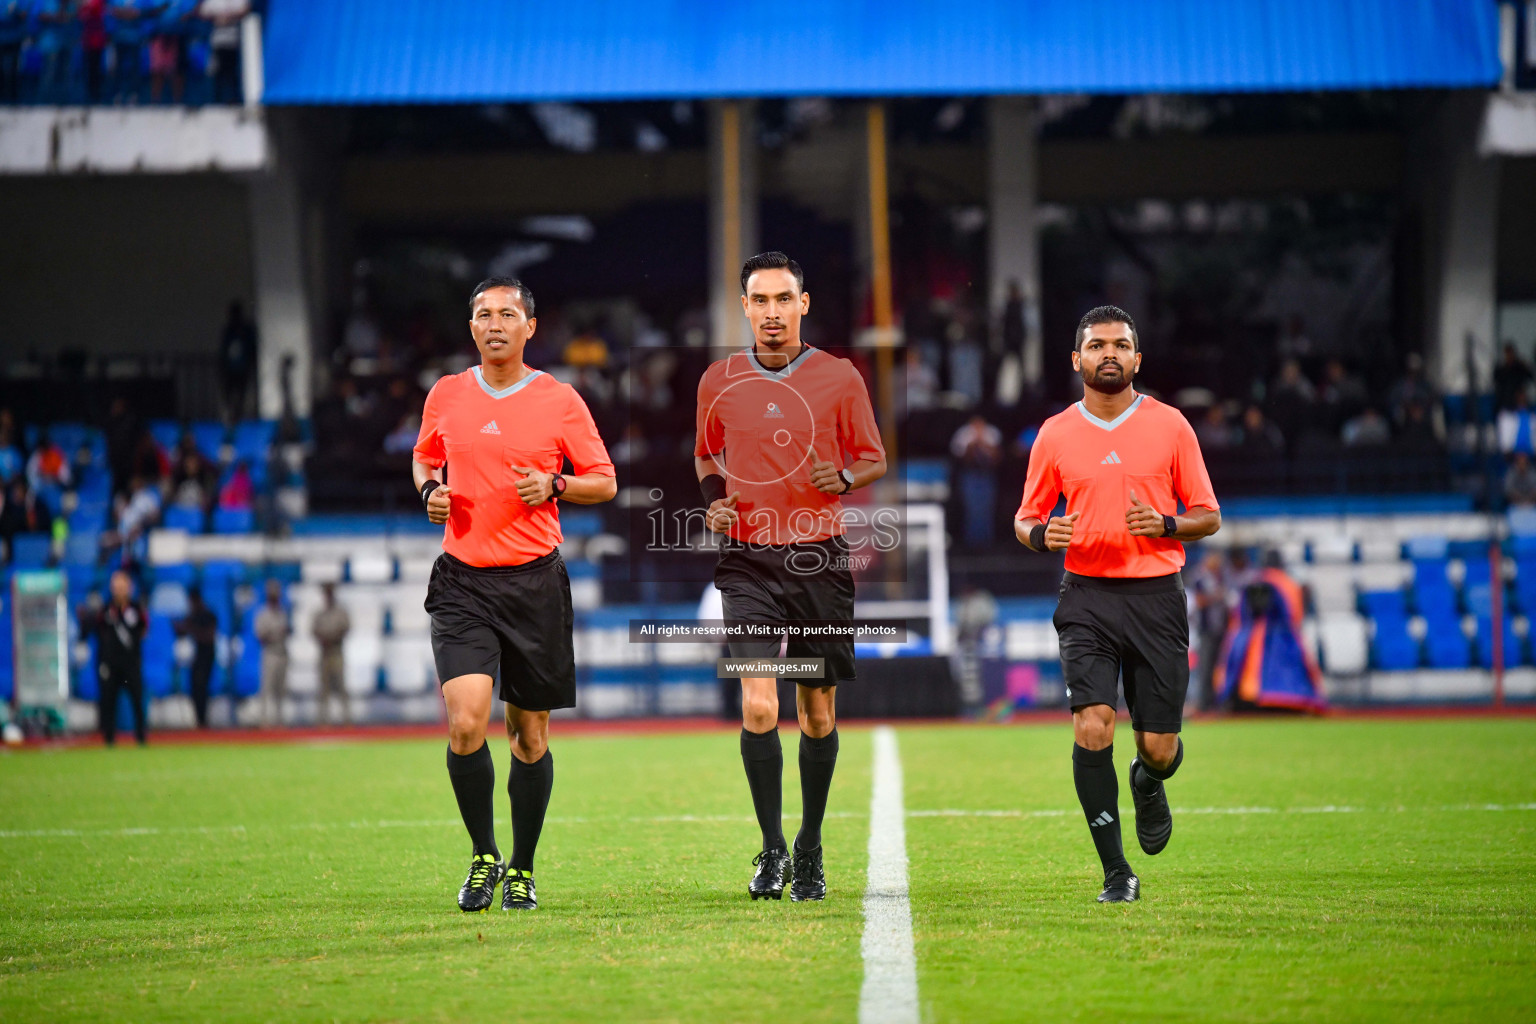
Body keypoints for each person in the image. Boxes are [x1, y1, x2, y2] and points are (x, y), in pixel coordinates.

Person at [412, 276, 616, 913]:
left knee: (529, 737)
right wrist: (429, 492)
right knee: (467, 720)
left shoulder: (559, 400)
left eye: (507, 313)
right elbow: (425, 458)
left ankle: (522, 868)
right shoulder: (446, 394)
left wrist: (555, 485)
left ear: (530, 325)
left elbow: (605, 482)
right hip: (463, 581)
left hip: (534, 583)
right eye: (482, 314)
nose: (494, 323)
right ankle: (482, 856)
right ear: (470, 328)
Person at [696, 252, 887, 902]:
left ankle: (809, 845)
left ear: (803, 304)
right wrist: (713, 499)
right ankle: (773, 850)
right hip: (747, 561)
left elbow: (873, 458)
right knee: (757, 703)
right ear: (744, 307)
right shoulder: (717, 379)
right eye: (760, 300)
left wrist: (845, 479)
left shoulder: (840, 376)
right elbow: (704, 452)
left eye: (784, 299)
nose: (772, 312)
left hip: (817, 562)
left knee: (814, 712)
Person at [1014, 305, 1221, 904]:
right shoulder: (1054, 433)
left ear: (1136, 358)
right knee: (1093, 726)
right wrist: (1040, 535)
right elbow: (1026, 519)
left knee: (1158, 747)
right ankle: (1115, 871)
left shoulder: (1172, 426)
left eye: (1121, 345)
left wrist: (1165, 524)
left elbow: (1208, 515)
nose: (1110, 353)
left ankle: (1149, 782)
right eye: (1097, 345)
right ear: (1076, 360)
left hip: (1158, 599)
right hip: (1086, 597)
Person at [86, 570, 149, 746]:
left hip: (131, 663)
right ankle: (109, 738)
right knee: (108, 701)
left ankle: (141, 736)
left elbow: (144, 630)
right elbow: (96, 631)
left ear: (129, 588)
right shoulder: (105, 610)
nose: (119, 590)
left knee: (137, 700)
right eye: (116, 587)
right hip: (110, 664)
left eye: (123, 587)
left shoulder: (136, 610)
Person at [175, 584, 219, 728]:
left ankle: (203, 720)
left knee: (203, 688)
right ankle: (199, 720)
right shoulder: (192, 615)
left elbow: (209, 636)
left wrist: (191, 629)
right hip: (196, 657)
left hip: (207, 657)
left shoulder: (208, 615)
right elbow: (182, 632)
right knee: (195, 689)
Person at [311, 581, 351, 726]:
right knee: (323, 688)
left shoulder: (340, 612)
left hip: (336, 650)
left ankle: (346, 719)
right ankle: (323, 720)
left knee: (341, 686)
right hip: (324, 653)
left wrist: (332, 637)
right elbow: (314, 630)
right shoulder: (319, 613)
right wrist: (323, 638)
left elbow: (345, 628)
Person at [253, 578, 289, 727]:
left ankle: (279, 720)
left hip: (282, 652)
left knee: (280, 689)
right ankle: (264, 720)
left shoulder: (282, 614)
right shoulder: (262, 614)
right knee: (267, 688)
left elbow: (286, 631)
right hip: (269, 653)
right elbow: (260, 636)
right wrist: (273, 634)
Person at [218, 300, 257, 418]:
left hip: (242, 368)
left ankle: (238, 416)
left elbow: (252, 347)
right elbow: (224, 348)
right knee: (229, 394)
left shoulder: (246, 329)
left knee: (241, 395)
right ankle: (230, 415)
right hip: (230, 369)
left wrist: (251, 363)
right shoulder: (229, 330)